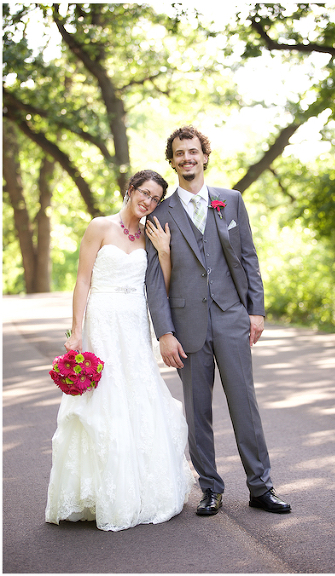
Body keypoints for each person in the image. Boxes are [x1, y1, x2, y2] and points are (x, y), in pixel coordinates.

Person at [145, 125, 290, 516]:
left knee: (245, 404)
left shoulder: (231, 201)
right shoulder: (159, 213)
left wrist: (255, 310)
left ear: (205, 156)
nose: (187, 158)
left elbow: (248, 257)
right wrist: (164, 333)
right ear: (172, 160)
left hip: (231, 318)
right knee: (198, 412)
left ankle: (261, 488)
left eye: (193, 152)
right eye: (179, 153)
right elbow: (154, 281)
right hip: (186, 326)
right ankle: (211, 488)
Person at [45, 169, 195, 532]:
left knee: (138, 393)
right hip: (102, 318)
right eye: (143, 193)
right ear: (130, 191)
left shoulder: (149, 234)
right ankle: (97, 490)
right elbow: (83, 280)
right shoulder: (100, 226)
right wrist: (77, 331)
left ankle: (143, 487)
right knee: (105, 396)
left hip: (133, 322)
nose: (147, 202)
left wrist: (163, 253)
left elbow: (161, 285)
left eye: (155, 198)